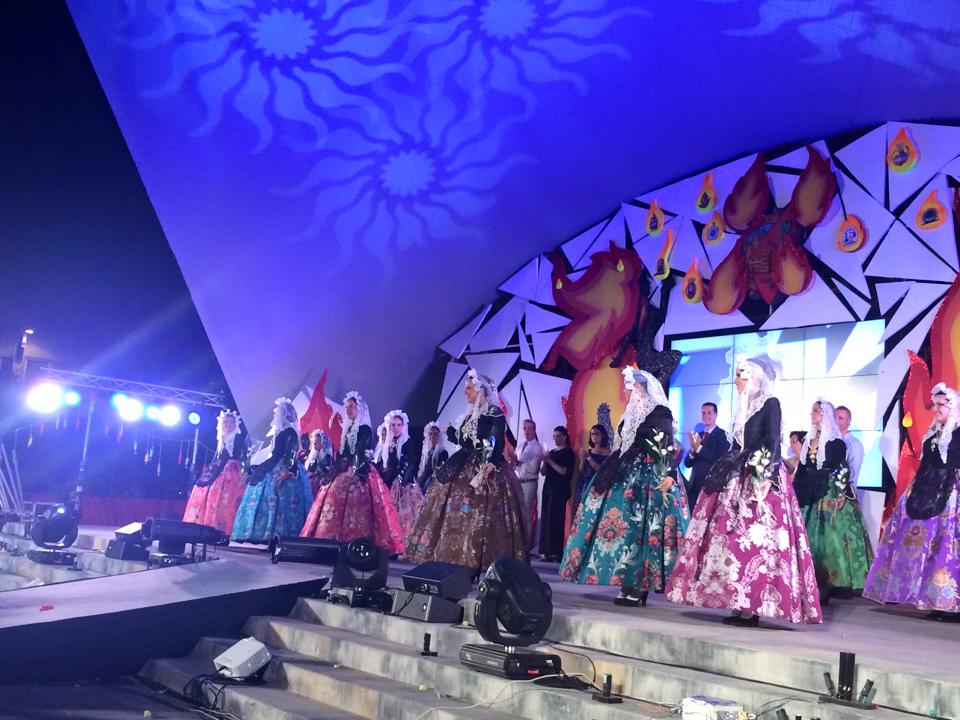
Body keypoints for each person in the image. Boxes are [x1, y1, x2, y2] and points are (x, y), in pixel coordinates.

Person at [665, 356, 822, 626]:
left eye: (740, 376)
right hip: (739, 472)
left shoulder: (771, 403)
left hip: (761, 473)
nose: (736, 381)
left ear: (755, 377)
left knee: (759, 539)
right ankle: (738, 601)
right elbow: (738, 444)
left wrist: (767, 476)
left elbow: (772, 440)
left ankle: (755, 605)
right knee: (733, 539)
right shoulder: (745, 406)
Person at [561, 367, 689, 607]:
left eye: (630, 387)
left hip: (649, 474)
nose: (626, 392)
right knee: (626, 529)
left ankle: (641, 584)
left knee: (644, 529)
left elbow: (668, 444)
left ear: (641, 387)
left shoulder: (660, 411)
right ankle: (626, 580)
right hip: (625, 472)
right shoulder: (629, 413)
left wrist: (670, 474)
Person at [406, 369, 526, 574]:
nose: (465, 392)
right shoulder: (471, 413)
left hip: (484, 466)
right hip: (463, 461)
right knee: (452, 509)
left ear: (481, 390)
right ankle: (452, 558)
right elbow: (467, 441)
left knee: (480, 513)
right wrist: (453, 434)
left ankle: (477, 561)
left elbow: (493, 440)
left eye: (469, 388)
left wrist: (490, 462)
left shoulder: (494, 412)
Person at [864, 383, 960, 620]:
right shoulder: (933, 434)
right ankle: (934, 601)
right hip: (927, 492)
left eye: (941, 405)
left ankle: (951, 603)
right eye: (934, 404)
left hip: (951, 495)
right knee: (929, 548)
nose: (935, 409)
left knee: (948, 546)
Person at [300, 392, 404, 554]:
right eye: (347, 406)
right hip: (345, 468)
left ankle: (354, 543)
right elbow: (344, 454)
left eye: (352, 406)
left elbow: (362, 453)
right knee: (332, 497)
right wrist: (333, 472)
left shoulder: (365, 429)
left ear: (359, 408)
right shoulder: (348, 428)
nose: (348, 409)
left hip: (359, 471)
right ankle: (330, 541)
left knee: (356, 504)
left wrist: (356, 473)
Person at [794, 400, 873, 602]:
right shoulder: (808, 439)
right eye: (812, 410)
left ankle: (826, 584)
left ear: (824, 415)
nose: (812, 414)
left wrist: (842, 493)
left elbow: (843, 468)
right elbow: (802, 468)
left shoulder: (836, 442)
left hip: (826, 491)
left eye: (816, 411)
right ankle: (804, 581)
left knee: (827, 539)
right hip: (807, 492)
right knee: (805, 537)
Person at [232, 398, 313, 543]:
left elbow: (291, 452)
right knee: (266, 497)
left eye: (278, 413)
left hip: (282, 468)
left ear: (285, 414)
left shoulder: (290, 431)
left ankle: (275, 534)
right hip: (274, 465)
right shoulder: (281, 431)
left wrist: (288, 470)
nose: (276, 415)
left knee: (279, 501)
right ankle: (261, 532)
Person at [183, 410, 247, 535]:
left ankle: (224, 527)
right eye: (226, 422)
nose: (228, 425)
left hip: (231, 469)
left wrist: (242, 470)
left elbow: (242, 456)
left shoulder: (237, 438)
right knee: (206, 489)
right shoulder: (221, 438)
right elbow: (218, 456)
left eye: (231, 422)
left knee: (227, 497)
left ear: (235, 424)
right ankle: (207, 523)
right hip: (219, 467)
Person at [380, 410, 424, 545]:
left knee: (404, 512)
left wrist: (402, 480)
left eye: (399, 425)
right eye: (393, 425)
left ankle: (402, 541)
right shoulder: (389, 442)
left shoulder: (408, 442)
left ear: (403, 426)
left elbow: (411, 463)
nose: (396, 428)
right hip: (390, 478)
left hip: (404, 480)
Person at [684, 402, 731, 511]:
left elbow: (720, 460)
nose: (706, 416)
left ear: (716, 414)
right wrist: (692, 451)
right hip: (694, 486)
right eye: (703, 413)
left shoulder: (723, 435)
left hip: (711, 487)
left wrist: (699, 448)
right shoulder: (698, 435)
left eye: (709, 413)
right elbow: (687, 464)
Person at [538, 426, 575, 562]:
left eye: (558, 436)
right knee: (546, 519)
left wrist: (549, 461)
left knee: (556, 520)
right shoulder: (552, 452)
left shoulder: (568, 452)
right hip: (548, 488)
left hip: (559, 490)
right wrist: (544, 461)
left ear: (564, 437)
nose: (555, 439)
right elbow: (543, 472)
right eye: (554, 436)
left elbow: (563, 471)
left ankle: (556, 552)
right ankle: (545, 551)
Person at [513, 419, 544, 550]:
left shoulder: (537, 447)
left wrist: (518, 462)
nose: (526, 431)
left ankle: (526, 545)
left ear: (534, 430)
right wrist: (514, 462)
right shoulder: (520, 445)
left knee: (526, 514)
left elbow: (533, 468)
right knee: (517, 513)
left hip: (529, 482)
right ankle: (518, 544)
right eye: (524, 428)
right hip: (518, 481)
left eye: (529, 428)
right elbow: (515, 464)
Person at [574, 424, 611, 507]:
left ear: (603, 435)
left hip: (597, 485)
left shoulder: (607, 452)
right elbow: (581, 471)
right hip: (585, 484)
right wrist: (582, 460)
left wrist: (589, 458)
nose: (594, 436)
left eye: (597, 433)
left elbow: (602, 470)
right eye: (592, 434)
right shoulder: (588, 451)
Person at [835, 406, 864, 489]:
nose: (836, 421)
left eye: (840, 418)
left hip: (842, 491)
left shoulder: (855, 444)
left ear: (849, 421)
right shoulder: (827, 441)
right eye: (834, 418)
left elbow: (852, 473)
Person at [416, 421, 448, 492]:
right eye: (430, 434)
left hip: (432, 483)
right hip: (422, 480)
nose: (432, 436)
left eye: (435, 434)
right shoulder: (425, 452)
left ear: (439, 436)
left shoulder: (443, 453)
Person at [305, 429, 334, 496]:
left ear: (322, 442)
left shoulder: (327, 457)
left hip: (321, 484)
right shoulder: (314, 455)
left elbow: (327, 472)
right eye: (314, 441)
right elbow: (309, 469)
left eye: (317, 441)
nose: (314, 443)